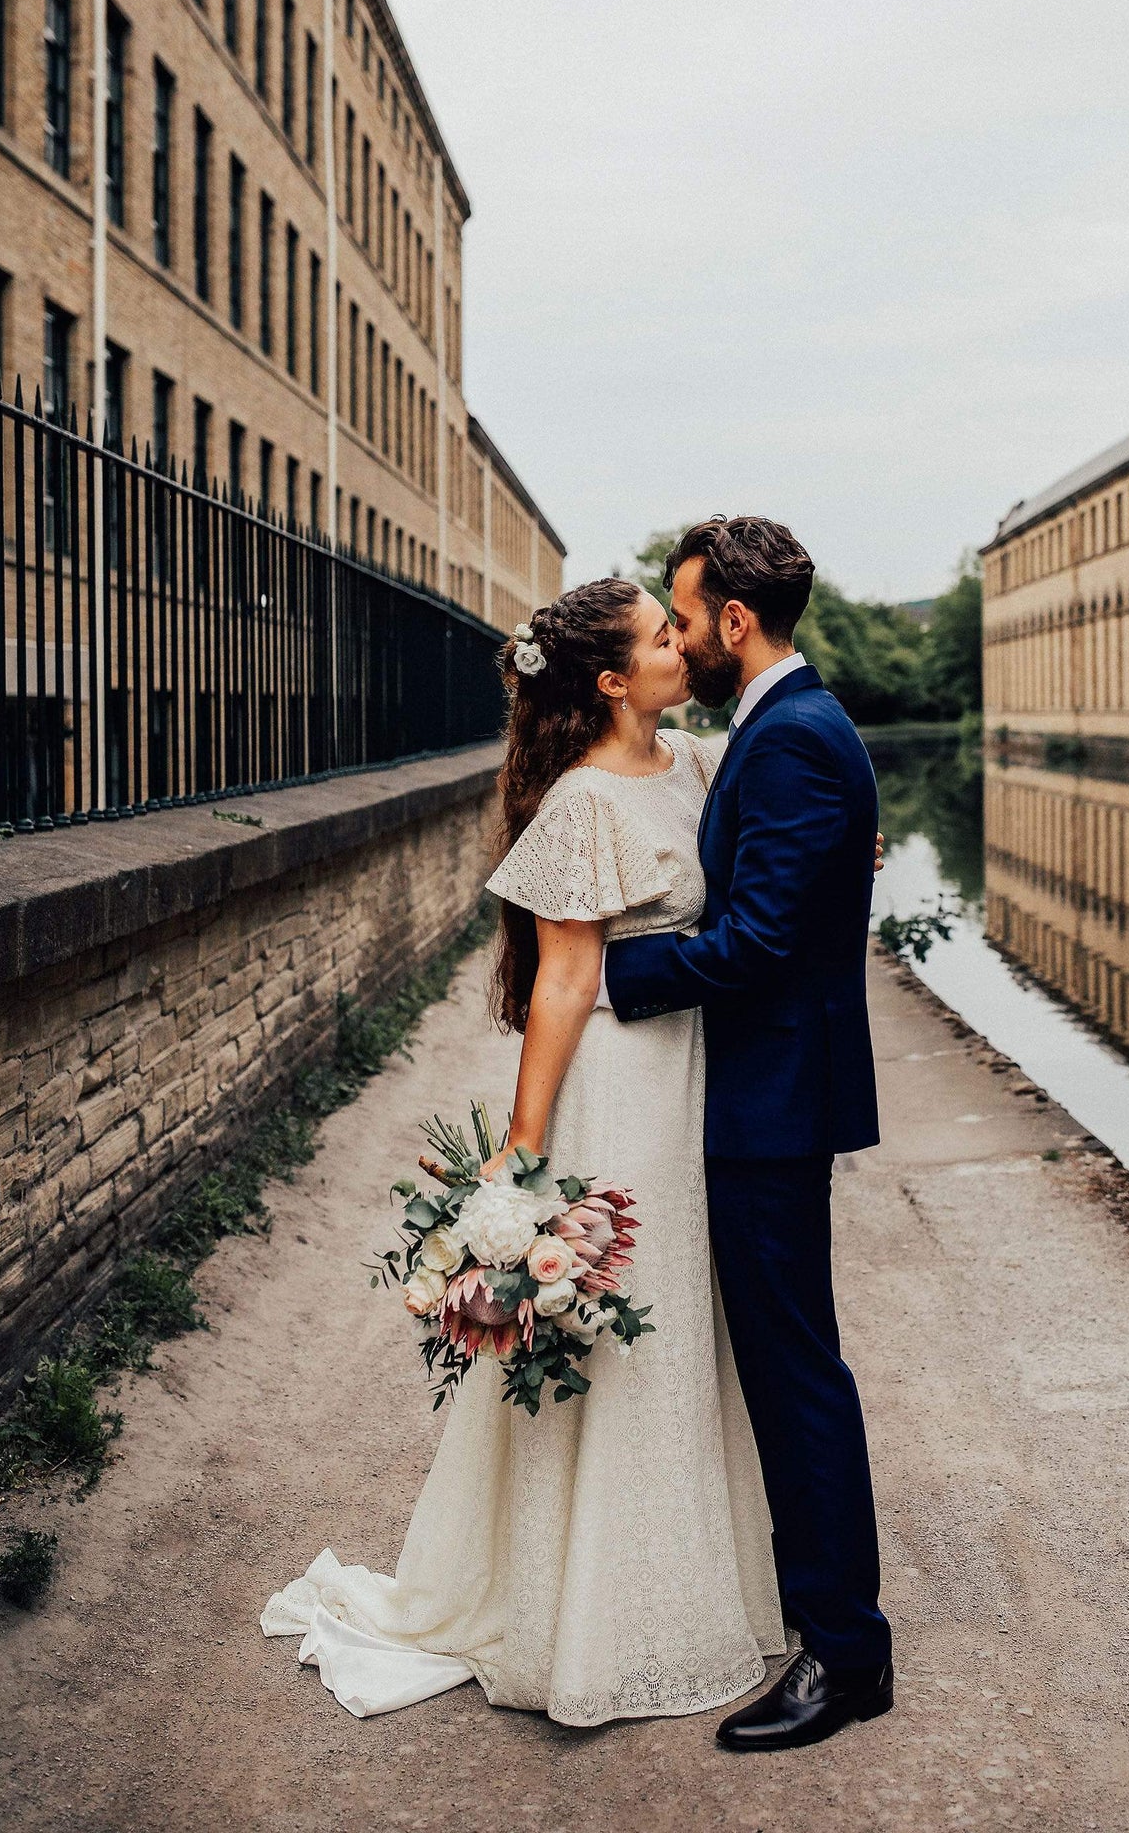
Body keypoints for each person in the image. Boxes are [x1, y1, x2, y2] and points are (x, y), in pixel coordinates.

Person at [262, 577, 785, 1725]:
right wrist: (524, 1150)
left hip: (694, 1071)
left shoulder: (694, 763)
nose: (678, 645)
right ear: (609, 679)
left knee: (685, 1315)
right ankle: (584, 1610)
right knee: (623, 1316)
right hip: (622, 1084)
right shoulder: (582, 805)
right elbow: (561, 979)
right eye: (660, 636)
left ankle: (689, 1577)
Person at [603, 515, 894, 1752]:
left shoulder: (789, 743)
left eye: (681, 616)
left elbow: (759, 944)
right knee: (786, 1369)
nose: (674, 637)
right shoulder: (785, 730)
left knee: (794, 1377)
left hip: (771, 1109)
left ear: (734, 621)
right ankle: (823, 1621)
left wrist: (612, 972)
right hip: (769, 1095)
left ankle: (844, 1656)